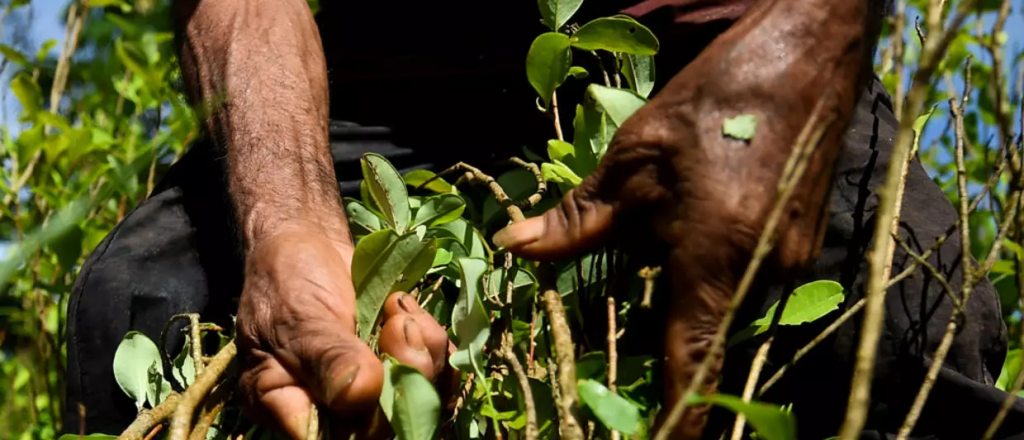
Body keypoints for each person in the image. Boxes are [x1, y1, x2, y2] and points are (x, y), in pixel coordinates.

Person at [62, 0, 1024, 438]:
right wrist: (285, 214)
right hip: (357, 89)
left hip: (730, 59)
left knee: (902, 324)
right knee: (140, 302)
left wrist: (813, 34)